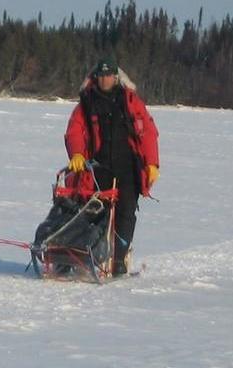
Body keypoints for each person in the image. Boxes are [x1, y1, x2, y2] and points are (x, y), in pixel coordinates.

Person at [64, 56, 159, 275]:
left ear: (116, 77)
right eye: (101, 75)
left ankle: (118, 260)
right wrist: (77, 153)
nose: (105, 79)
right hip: (98, 168)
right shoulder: (87, 102)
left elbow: (148, 133)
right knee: (94, 212)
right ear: (96, 77)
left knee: (125, 213)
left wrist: (152, 163)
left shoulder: (130, 101)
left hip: (128, 167)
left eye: (109, 75)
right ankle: (89, 255)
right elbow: (75, 130)